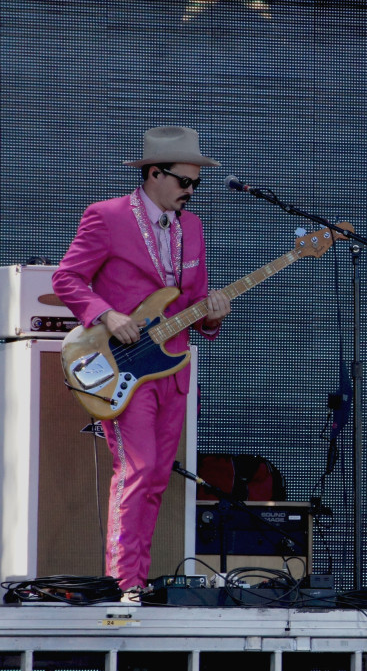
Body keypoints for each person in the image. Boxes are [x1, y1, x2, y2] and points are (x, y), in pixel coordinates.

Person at [52, 126, 231, 595]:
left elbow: (193, 301)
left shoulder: (192, 227)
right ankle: (122, 581)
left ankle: (137, 579)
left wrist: (212, 317)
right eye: (184, 183)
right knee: (136, 468)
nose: (191, 192)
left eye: (196, 184)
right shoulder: (107, 216)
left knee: (154, 475)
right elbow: (68, 278)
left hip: (171, 369)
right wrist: (107, 315)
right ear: (155, 174)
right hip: (120, 366)